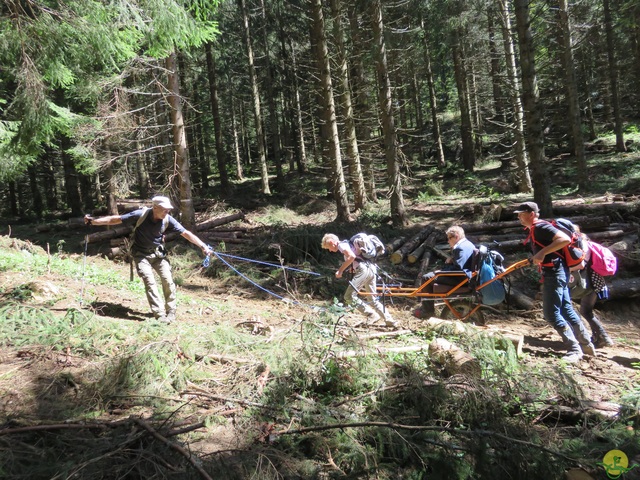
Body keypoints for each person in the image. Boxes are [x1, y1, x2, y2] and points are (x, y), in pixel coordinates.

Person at [84, 195, 213, 324]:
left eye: (168, 209)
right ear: (155, 207)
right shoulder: (140, 214)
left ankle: (171, 311)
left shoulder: (168, 219)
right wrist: (94, 221)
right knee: (150, 282)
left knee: (168, 280)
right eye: (164, 209)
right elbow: (116, 220)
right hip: (141, 255)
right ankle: (160, 315)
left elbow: (186, 233)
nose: (167, 212)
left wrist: (203, 246)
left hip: (158, 255)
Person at [515, 201, 597, 362]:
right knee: (566, 310)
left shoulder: (541, 227)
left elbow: (564, 239)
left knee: (551, 314)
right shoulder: (536, 229)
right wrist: (537, 256)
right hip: (557, 272)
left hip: (555, 274)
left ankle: (574, 349)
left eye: (521, 213)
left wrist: (542, 253)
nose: (518, 216)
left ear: (531, 214)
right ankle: (587, 345)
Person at [321, 233, 398, 328]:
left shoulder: (341, 245)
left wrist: (340, 271)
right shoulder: (348, 244)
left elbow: (351, 257)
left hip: (364, 270)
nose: (330, 250)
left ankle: (371, 315)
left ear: (332, 242)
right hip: (372, 269)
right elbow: (354, 258)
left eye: (328, 247)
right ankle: (389, 320)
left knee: (349, 296)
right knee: (372, 299)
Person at [413, 225, 476, 319]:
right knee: (431, 275)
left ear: (456, 237)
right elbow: (460, 264)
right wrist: (451, 261)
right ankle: (426, 307)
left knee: (426, 277)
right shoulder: (468, 244)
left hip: (460, 279)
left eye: (449, 238)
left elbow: (459, 269)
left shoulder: (461, 248)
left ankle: (427, 311)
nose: (448, 241)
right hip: (463, 277)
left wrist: (443, 271)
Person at [568, 229, 614, 348]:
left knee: (568, 307)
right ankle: (603, 337)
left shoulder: (581, 247)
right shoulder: (593, 247)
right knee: (586, 311)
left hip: (585, 282)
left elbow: (580, 265)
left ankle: (581, 337)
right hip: (596, 282)